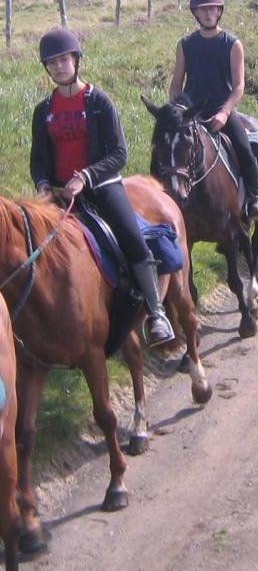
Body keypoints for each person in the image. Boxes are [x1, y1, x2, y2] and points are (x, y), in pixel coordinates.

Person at [30, 27, 174, 347]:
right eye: (51, 63)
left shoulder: (99, 102)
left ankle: (156, 311)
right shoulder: (43, 111)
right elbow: (38, 159)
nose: (58, 67)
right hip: (58, 193)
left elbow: (119, 154)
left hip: (102, 186)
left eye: (63, 59)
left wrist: (86, 177)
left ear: (76, 60)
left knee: (132, 238)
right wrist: (43, 185)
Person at [169, 0, 258, 221]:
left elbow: (239, 86)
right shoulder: (185, 44)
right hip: (192, 111)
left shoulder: (232, 43)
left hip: (221, 108)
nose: (208, 13)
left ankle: (255, 197)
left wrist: (224, 113)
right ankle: (167, 195)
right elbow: (176, 84)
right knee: (168, 147)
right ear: (195, 13)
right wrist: (178, 109)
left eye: (213, 9)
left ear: (219, 11)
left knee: (243, 147)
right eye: (203, 10)